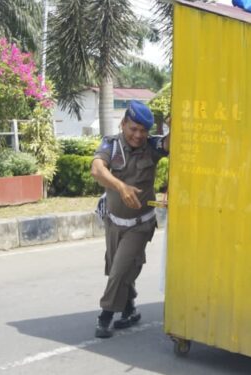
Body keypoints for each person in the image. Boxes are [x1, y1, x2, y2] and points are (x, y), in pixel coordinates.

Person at [90, 101, 169, 338]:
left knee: (120, 270)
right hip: (113, 222)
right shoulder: (111, 145)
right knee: (115, 266)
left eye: (143, 131)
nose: (138, 135)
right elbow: (97, 169)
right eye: (133, 129)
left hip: (140, 224)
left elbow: (171, 143)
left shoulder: (152, 146)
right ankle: (129, 308)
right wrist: (121, 187)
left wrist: (176, 124)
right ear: (123, 124)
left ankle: (105, 316)